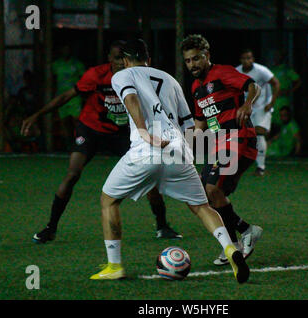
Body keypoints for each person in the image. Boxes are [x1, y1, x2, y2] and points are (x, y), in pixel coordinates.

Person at [90, 39, 249, 283]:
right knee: (201, 206)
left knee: (108, 200)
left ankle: (114, 265)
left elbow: (130, 98)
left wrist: (143, 131)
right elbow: (188, 123)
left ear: (124, 61)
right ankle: (231, 250)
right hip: (178, 150)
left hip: (147, 148)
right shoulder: (170, 79)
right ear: (148, 59)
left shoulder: (122, 75)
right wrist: (191, 156)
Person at [21, 40, 182, 243]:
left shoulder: (138, 78)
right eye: (116, 58)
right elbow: (66, 96)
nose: (121, 62)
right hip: (91, 129)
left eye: (124, 58)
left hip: (121, 133)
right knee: (72, 174)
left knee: (148, 175)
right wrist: (37, 115)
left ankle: (162, 226)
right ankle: (50, 228)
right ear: (109, 59)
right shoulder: (96, 75)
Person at [181, 34, 263, 266]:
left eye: (196, 59)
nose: (192, 65)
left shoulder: (222, 73)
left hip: (239, 140)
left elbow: (252, 85)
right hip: (219, 146)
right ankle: (242, 235)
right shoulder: (196, 87)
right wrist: (186, 149)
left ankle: (239, 240)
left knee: (212, 188)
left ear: (207, 56)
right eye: (188, 61)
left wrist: (247, 104)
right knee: (202, 194)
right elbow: (199, 124)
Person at [236, 48, 280, 176]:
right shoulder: (236, 71)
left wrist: (271, 103)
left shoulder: (261, 70)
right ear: (241, 60)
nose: (247, 61)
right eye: (244, 58)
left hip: (262, 107)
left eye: (249, 58)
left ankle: (260, 167)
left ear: (253, 59)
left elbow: (276, 83)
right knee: (243, 135)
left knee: (259, 133)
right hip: (245, 108)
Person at [52, 45, 86, 149]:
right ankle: (67, 146)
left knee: (77, 121)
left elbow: (84, 80)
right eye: (64, 49)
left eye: (68, 49)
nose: (66, 51)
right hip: (61, 97)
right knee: (64, 122)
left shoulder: (77, 64)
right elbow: (52, 80)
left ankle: (80, 144)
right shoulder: (56, 64)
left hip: (74, 97)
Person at [270, 50, 301, 126]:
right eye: (275, 56)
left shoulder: (286, 70)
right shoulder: (271, 70)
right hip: (273, 100)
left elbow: (298, 81)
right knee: (272, 122)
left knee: (283, 121)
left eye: (278, 56)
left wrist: (289, 91)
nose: (276, 58)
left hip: (283, 100)